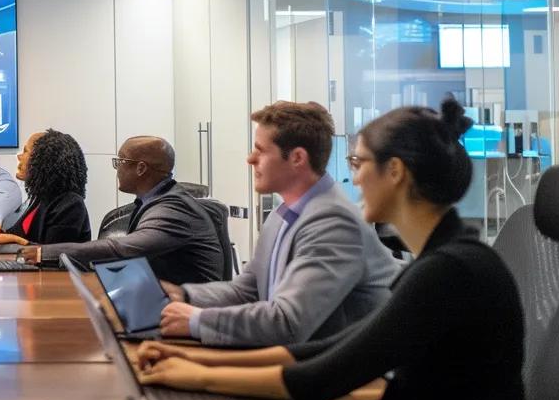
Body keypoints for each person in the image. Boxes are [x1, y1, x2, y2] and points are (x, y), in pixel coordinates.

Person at [137, 98, 528, 400]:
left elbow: (324, 376)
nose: (353, 180)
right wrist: (189, 357)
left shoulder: (449, 272)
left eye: (359, 164)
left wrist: (201, 376)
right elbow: (328, 348)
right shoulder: (443, 261)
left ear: (394, 172)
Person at [155, 102, 397, 347]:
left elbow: (288, 324)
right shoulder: (283, 213)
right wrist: (184, 295)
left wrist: (197, 320)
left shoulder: (334, 222)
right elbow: (248, 290)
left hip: (347, 378)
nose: (250, 159)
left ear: (297, 158)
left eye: (260, 150)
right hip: (302, 365)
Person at [15, 136, 226, 285]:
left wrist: (44, 252)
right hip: (163, 302)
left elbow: (122, 249)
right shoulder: (150, 202)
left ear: (141, 168)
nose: (117, 169)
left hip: (189, 311)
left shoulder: (173, 208)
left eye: (120, 162)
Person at [0, 129, 91, 247]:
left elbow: (53, 254)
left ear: (43, 161)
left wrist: (13, 239)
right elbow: (22, 235)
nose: (19, 156)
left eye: (26, 151)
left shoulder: (71, 205)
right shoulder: (40, 199)